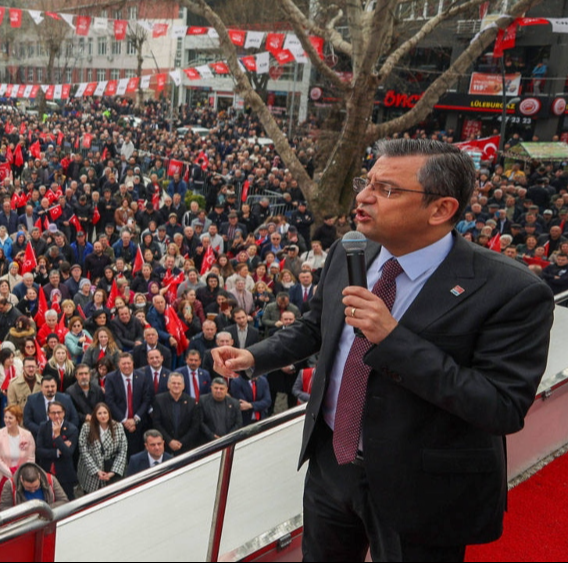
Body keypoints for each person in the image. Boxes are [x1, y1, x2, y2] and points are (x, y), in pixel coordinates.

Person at [211, 139, 555, 561]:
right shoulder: (348, 250)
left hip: (424, 488)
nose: (362, 197)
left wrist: (393, 340)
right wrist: (256, 357)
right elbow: (318, 326)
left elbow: (500, 405)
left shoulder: (512, 291)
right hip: (331, 464)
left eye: (387, 189)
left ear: (441, 209)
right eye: (366, 182)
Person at [103, 353, 153, 456]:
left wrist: (135, 419)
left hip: (138, 424)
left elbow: (146, 400)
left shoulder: (142, 377)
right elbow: (109, 401)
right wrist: (124, 421)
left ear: (133, 363)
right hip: (118, 424)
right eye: (123, 363)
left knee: (136, 455)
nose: (126, 366)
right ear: (118, 365)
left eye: (128, 363)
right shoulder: (111, 378)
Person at [0, 405, 35, 510]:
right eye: (5, 417)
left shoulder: (27, 435)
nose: (7, 420)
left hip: (23, 478)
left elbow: (31, 458)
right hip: (4, 478)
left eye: (10, 418)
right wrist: (12, 474)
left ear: (18, 420)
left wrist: (22, 473)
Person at [77, 402, 127, 494]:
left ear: (109, 414)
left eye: (105, 413)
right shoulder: (87, 427)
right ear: (95, 415)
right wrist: (96, 471)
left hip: (110, 467)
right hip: (91, 471)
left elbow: (122, 450)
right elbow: (83, 450)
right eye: (99, 413)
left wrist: (113, 472)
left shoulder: (118, 427)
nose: (103, 416)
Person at [34, 400, 79, 500]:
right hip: (47, 471)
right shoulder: (43, 427)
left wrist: (57, 436)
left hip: (65, 474)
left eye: (59, 412)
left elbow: (68, 453)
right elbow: (39, 451)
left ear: (64, 413)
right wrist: (57, 452)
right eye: (53, 413)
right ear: (48, 414)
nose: (56, 416)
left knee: (67, 500)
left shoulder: (72, 429)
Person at [151, 373, 202, 456]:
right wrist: (169, 441)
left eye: (179, 383)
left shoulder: (191, 402)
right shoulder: (159, 400)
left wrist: (181, 442)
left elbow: (195, 427)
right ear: (168, 385)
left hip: (185, 447)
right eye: (173, 383)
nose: (176, 386)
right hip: (165, 447)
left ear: (183, 386)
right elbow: (156, 423)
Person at [0, 462, 69, 512]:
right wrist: (24, 512)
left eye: (36, 487)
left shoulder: (51, 480)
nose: (32, 491)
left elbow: (63, 501)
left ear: (39, 476)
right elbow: (4, 508)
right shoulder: (10, 485)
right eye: (28, 488)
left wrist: (44, 510)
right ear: (21, 479)